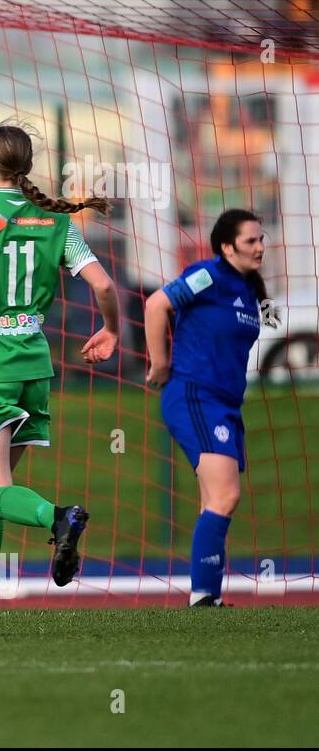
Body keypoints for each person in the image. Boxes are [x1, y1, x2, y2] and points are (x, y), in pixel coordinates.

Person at [0, 125, 119, 638]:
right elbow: (102, 283)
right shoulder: (56, 219)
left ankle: (60, 517)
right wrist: (112, 328)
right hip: (34, 368)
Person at [145, 209, 267, 608]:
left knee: (216, 498)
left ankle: (207, 595)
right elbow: (156, 304)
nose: (260, 247)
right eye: (251, 241)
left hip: (225, 403)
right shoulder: (208, 275)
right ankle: (202, 596)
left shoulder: (249, 290)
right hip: (196, 395)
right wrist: (161, 364)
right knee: (226, 495)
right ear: (228, 246)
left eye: (261, 239)